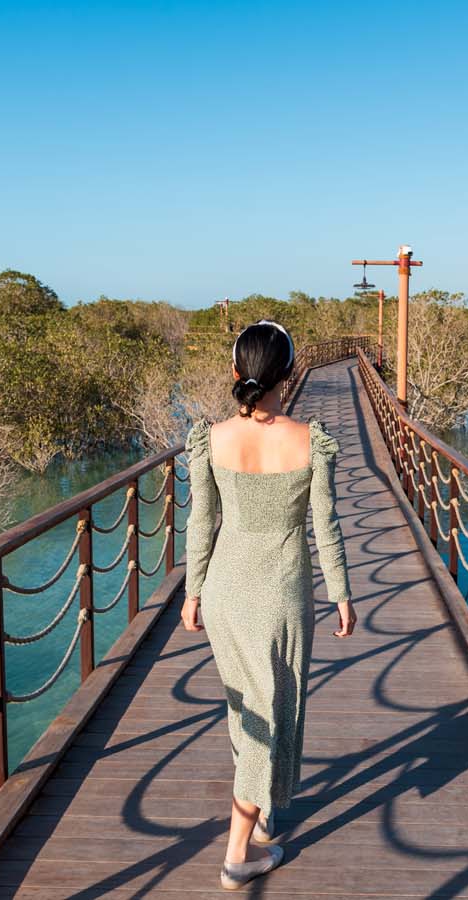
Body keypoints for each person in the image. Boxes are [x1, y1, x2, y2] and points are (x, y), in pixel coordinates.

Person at [180, 319, 357, 890]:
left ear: (236, 372)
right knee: (272, 713)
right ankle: (238, 856)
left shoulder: (212, 437)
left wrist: (193, 590)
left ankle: (261, 819)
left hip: (227, 592)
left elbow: (201, 520)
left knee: (247, 706)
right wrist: (341, 593)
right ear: (289, 373)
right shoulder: (309, 440)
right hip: (282, 594)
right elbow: (325, 526)